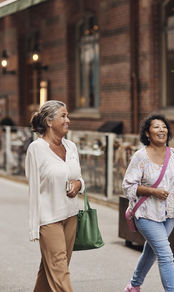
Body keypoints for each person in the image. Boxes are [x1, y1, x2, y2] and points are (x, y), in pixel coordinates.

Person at [122, 114, 174, 292]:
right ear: (147, 133)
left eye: (164, 126)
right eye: (156, 127)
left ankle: (134, 285)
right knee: (166, 255)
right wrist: (152, 191)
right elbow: (127, 185)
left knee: (151, 251)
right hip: (146, 213)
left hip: (170, 214)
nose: (161, 130)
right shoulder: (140, 156)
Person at [25, 100, 85, 292]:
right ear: (50, 122)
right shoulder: (37, 149)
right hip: (49, 219)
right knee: (59, 270)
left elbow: (79, 179)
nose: (68, 120)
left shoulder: (71, 147)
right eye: (63, 116)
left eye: (67, 116)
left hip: (71, 216)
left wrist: (79, 184)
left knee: (51, 268)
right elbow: (33, 189)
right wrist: (34, 226)